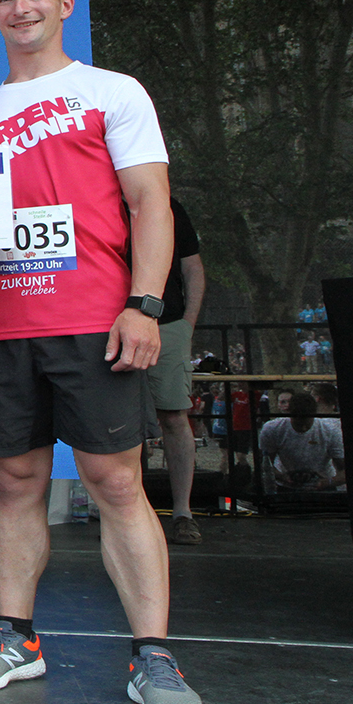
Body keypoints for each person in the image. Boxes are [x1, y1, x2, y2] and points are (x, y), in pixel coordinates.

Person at [0, 0, 203, 704]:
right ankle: (16, 637)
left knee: (116, 484)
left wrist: (145, 305)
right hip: (2, 327)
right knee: (16, 483)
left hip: (95, 320)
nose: (21, 8)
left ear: (64, 4)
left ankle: (153, 653)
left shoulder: (111, 92)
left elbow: (150, 203)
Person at [147, 198, 206, 544]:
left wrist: (187, 324)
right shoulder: (94, 198)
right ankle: (131, 512)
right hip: (106, 325)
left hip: (167, 323)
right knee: (123, 423)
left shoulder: (168, 206)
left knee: (173, 417)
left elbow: (192, 267)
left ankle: (183, 512)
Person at [259, 391, 345, 491]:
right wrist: (282, 477)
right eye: (298, 424)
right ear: (289, 413)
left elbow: (343, 470)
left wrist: (326, 482)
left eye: (307, 424)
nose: (303, 428)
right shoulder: (272, 429)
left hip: (323, 485)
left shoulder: (330, 430)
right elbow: (264, 464)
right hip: (285, 486)